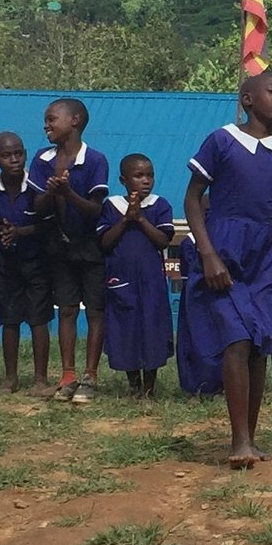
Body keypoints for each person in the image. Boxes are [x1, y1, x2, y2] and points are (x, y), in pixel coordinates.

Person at [185, 70, 272, 466]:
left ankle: (250, 438)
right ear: (247, 100)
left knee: (259, 346)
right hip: (225, 248)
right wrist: (207, 253)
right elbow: (193, 199)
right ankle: (238, 442)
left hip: (267, 253)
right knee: (237, 339)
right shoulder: (221, 140)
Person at [30, 97, 111, 405]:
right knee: (65, 309)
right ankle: (67, 374)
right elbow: (37, 207)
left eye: (52, 119)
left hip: (90, 246)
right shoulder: (42, 159)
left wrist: (68, 193)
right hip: (59, 246)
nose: (46, 125)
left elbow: (95, 210)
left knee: (94, 311)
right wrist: (51, 192)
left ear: (74, 121)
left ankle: (90, 375)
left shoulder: (95, 160)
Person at [100, 153, 176, 396]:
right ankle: (133, 384)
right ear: (124, 180)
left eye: (150, 175)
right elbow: (105, 243)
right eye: (139, 176)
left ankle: (150, 386)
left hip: (151, 281)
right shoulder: (112, 207)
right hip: (121, 279)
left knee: (152, 328)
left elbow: (163, 241)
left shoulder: (159, 205)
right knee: (126, 329)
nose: (146, 181)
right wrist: (126, 219)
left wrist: (140, 219)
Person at [0, 131, 50, 393]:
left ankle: (41, 379)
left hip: (36, 259)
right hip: (6, 260)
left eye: (18, 154)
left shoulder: (38, 183)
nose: (14, 160)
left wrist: (21, 232)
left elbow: (49, 223)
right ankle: (10, 378)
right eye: (6, 155)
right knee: (10, 320)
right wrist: (5, 230)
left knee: (38, 318)